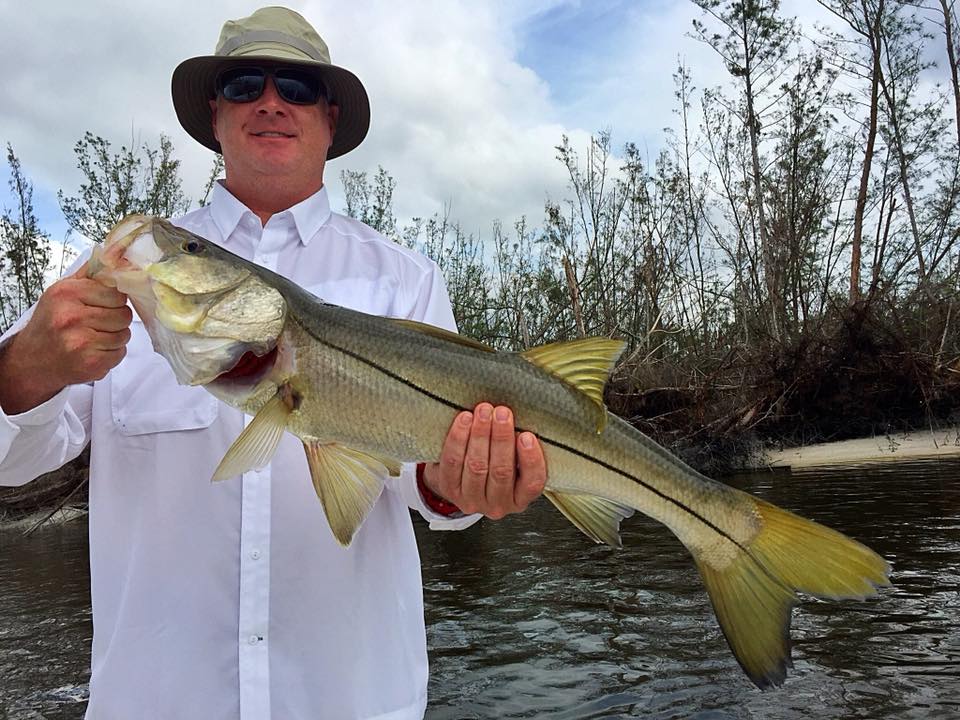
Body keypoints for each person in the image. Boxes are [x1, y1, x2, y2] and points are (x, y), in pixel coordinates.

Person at [0, 7, 546, 719]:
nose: (270, 101)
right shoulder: (121, 273)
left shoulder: (404, 280)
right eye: (243, 84)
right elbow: (14, 463)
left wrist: (465, 484)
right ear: (215, 116)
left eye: (294, 85)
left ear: (330, 116)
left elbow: (427, 489)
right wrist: (20, 368)